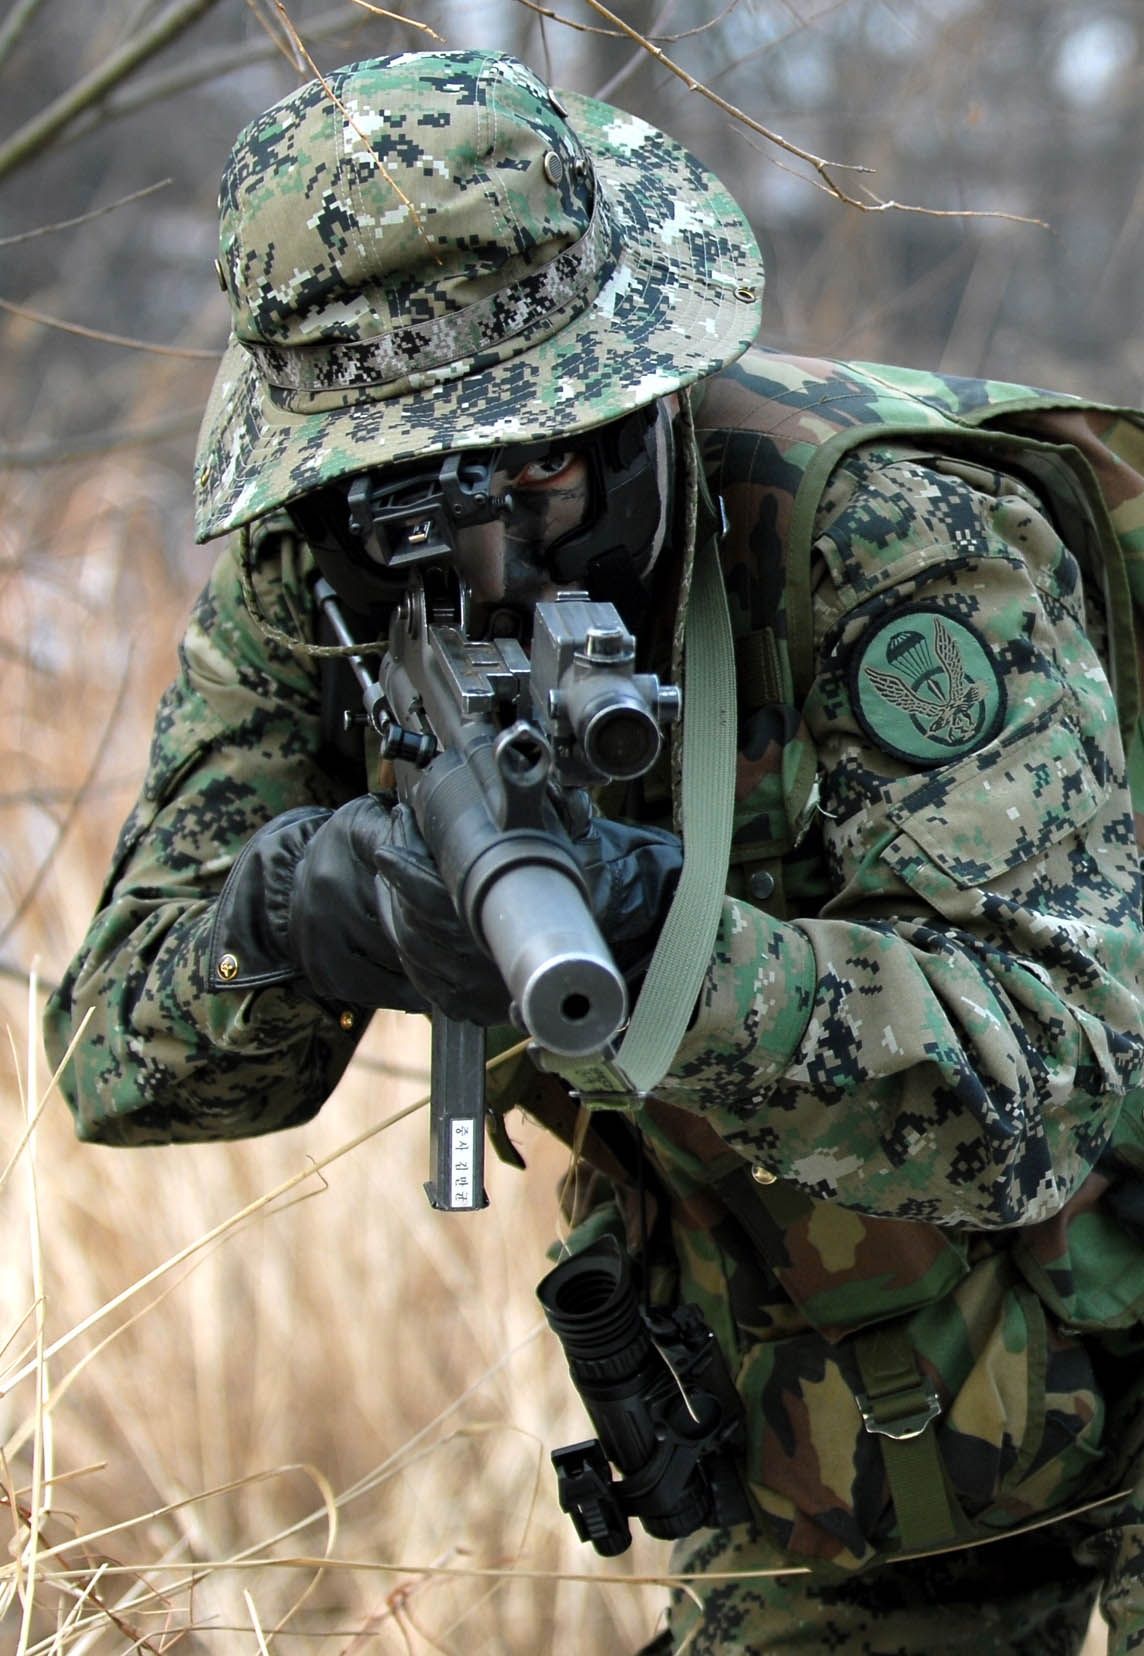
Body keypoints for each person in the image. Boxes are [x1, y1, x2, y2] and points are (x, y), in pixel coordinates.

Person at [43, 47, 1144, 1654]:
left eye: (539, 463)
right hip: (857, 1453)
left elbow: (1053, 1083)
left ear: (637, 402)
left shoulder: (885, 534)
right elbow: (116, 1061)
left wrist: (660, 946)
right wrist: (289, 912)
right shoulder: (317, 581)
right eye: (395, 492)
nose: (483, 549)